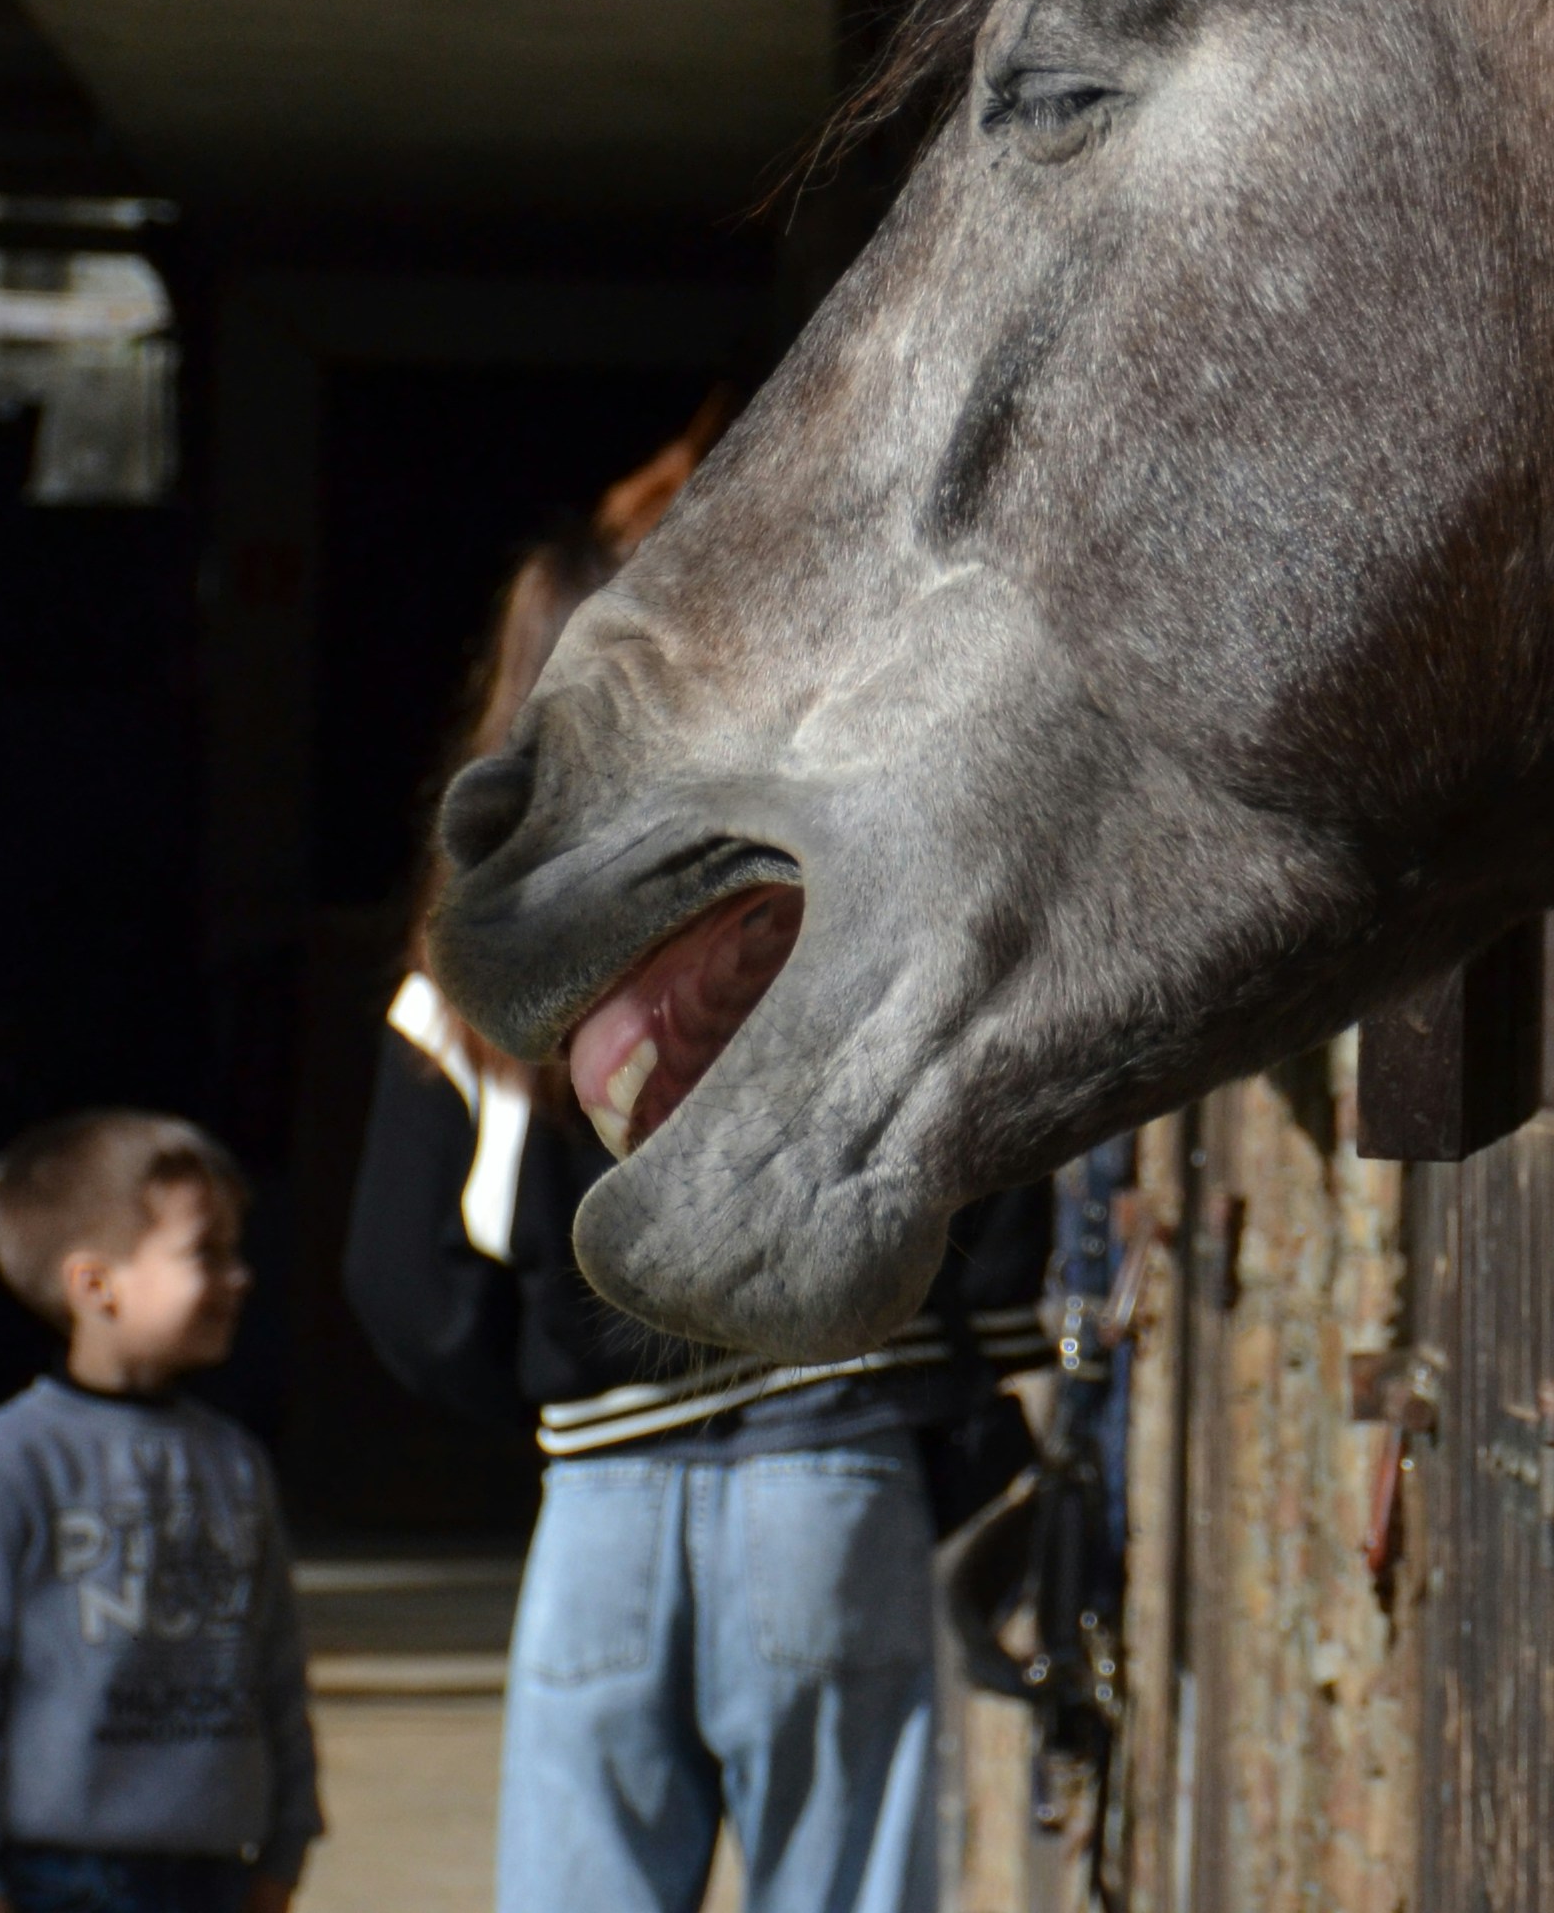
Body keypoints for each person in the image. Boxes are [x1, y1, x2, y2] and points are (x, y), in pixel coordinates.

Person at [346, 413, 1048, 1913]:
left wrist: (556, 1376)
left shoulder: (466, 971)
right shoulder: (804, 899)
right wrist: (965, 1376)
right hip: (829, 1474)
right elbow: (980, 1170)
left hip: (599, 1504)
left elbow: (399, 1285)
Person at [0, 1110, 317, 1913]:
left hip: (215, 1873)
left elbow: (277, 1664)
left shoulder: (234, 1461)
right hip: (58, 1878)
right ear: (95, 1285)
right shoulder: (2, 1464)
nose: (241, 1277)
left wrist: (287, 1842)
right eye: (208, 1253)